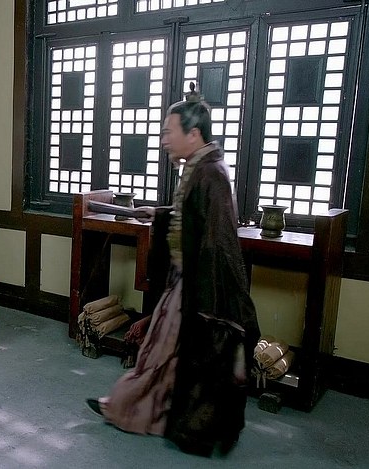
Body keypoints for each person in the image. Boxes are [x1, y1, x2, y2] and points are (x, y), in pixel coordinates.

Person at [86, 85, 260, 456]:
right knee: (160, 350)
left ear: (193, 134)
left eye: (169, 132)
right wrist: (160, 213)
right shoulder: (199, 167)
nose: (164, 140)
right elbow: (192, 217)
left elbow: (217, 241)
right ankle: (133, 408)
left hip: (200, 286)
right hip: (186, 281)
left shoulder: (211, 173)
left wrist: (207, 302)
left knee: (167, 352)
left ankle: (131, 409)